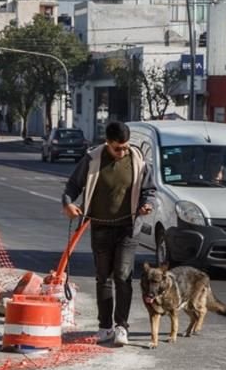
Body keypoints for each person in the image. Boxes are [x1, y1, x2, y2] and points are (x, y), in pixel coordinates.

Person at [61, 121, 155, 347]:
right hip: (100, 227)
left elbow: (149, 190)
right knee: (103, 277)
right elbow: (73, 185)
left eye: (124, 147)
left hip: (128, 228)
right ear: (107, 143)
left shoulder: (138, 161)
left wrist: (147, 204)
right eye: (117, 148)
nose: (122, 152)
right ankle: (104, 327)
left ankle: (121, 326)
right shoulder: (92, 160)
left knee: (123, 276)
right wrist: (68, 204)